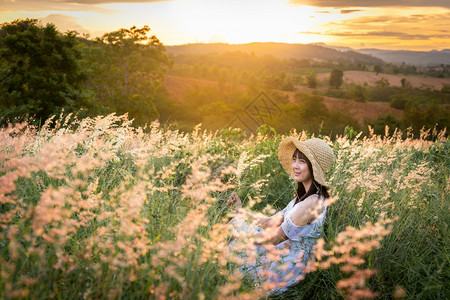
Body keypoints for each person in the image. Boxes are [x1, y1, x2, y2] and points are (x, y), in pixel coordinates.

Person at [226, 137, 335, 294]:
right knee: (236, 222)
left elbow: (275, 238)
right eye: (294, 159)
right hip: (280, 252)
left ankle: (222, 273)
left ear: (313, 167)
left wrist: (243, 236)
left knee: (237, 237)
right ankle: (223, 268)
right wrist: (240, 211)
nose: (295, 166)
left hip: (285, 267)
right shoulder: (303, 198)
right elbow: (271, 221)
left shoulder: (312, 203)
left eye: (302, 162)